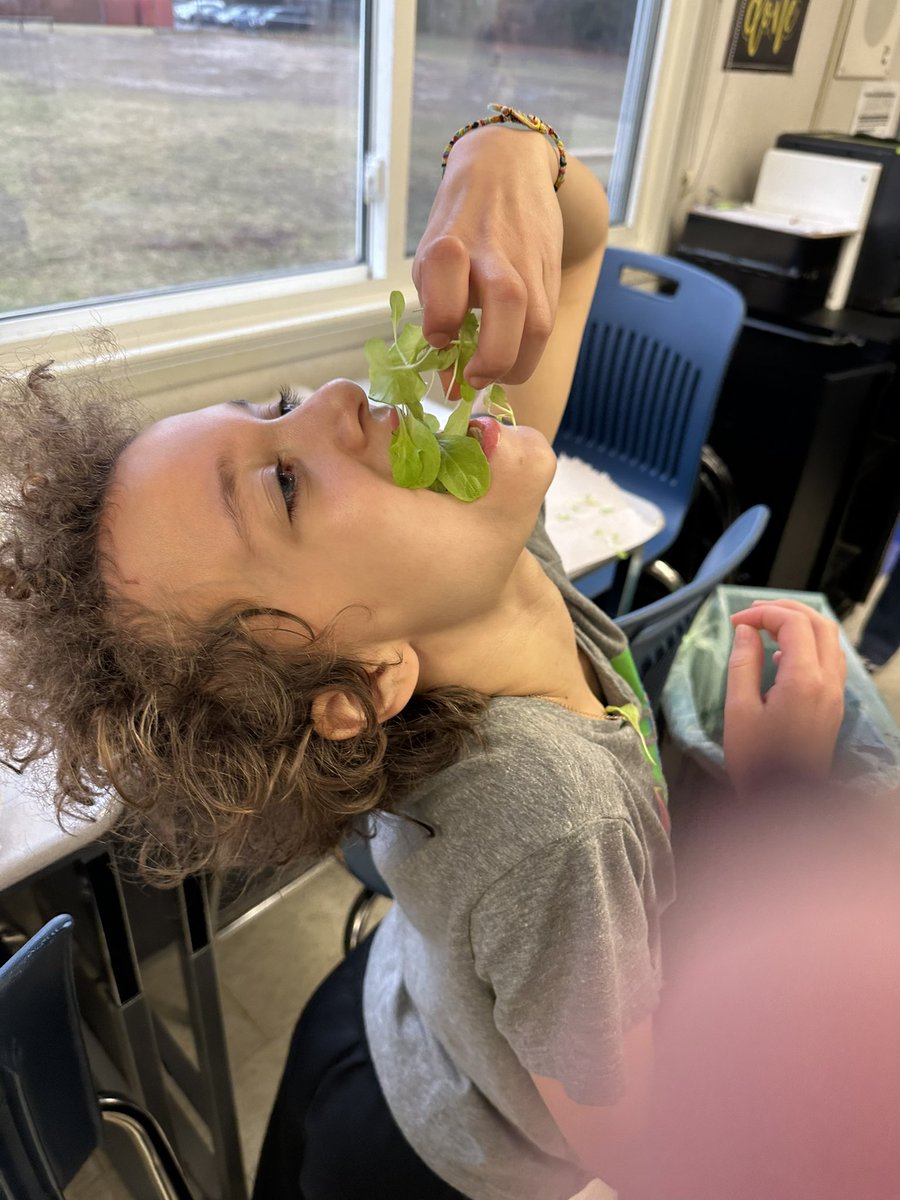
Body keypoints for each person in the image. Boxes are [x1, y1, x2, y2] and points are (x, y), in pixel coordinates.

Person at [0, 110, 846, 1200]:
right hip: (425, 1161)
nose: (344, 400)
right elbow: (641, 1147)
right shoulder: (550, 813)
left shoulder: (480, 564)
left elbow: (575, 249)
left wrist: (504, 153)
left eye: (280, 411)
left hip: (386, 1014)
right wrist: (784, 805)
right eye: (286, 484)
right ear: (366, 682)